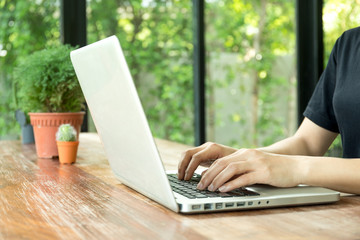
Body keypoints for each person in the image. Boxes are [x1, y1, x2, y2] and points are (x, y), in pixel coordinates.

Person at [178, 27, 360, 195]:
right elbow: (307, 143)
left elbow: (299, 162)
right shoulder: (349, 43)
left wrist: (294, 168)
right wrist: (245, 160)